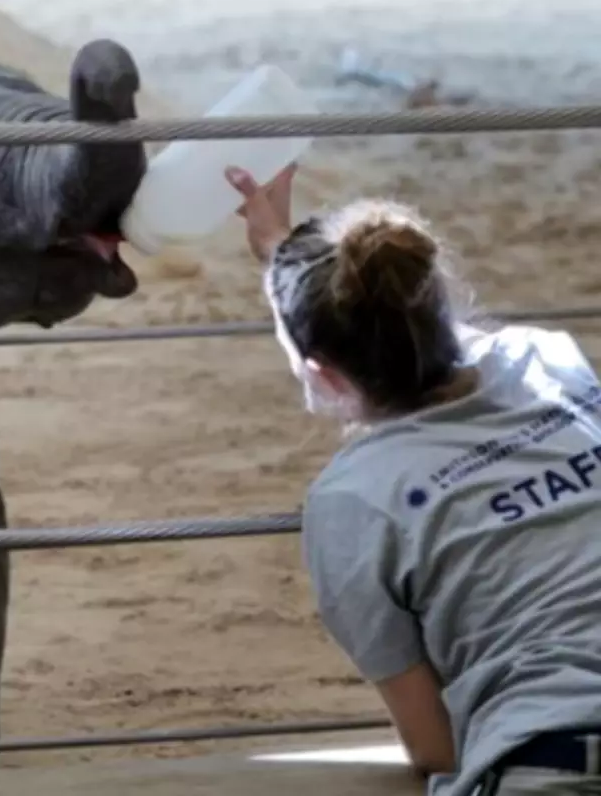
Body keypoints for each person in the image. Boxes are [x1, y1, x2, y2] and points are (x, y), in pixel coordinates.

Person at [224, 162, 601, 796]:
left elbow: (434, 748)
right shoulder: (552, 360)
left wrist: (285, 266)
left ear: (321, 372)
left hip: (556, 759)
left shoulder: (353, 500)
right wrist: (284, 255)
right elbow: (416, 322)